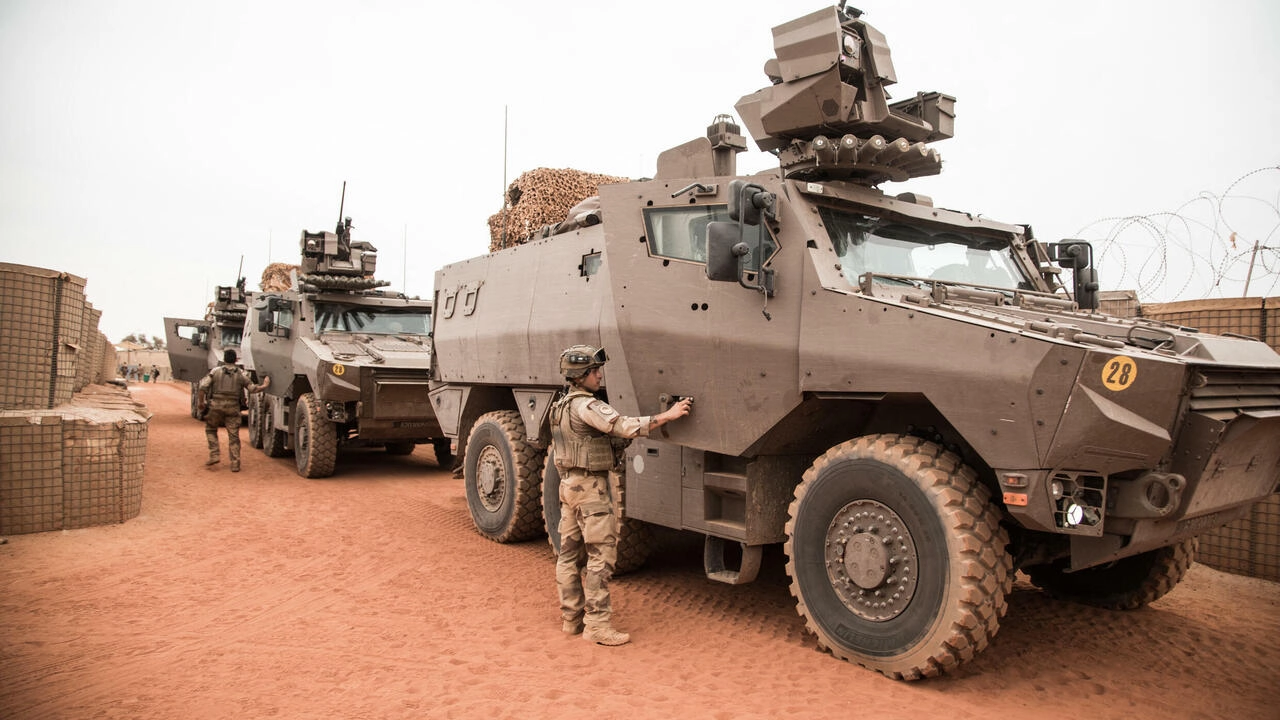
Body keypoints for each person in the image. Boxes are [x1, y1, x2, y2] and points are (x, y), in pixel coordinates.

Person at [550, 344, 692, 646]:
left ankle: (571, 619)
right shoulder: (588, 406)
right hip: (591, 491)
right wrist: (668, 415)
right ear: (581, 375)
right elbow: (624, 427)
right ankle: (597, 626)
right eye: (594, 371)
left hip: (569, 487)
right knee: (600, 557)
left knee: (568, 556)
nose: (599, 375)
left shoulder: (561, 405)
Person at [196, 349, 270, 472]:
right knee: (233, 436)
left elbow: (202, 388)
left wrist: (201, 403)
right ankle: (235, 463)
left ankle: (214, 454)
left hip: (216, 406)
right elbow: (252, 389)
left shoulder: (215, 372)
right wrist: (265, 385)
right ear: (236, 360)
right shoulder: (241, 374)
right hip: (233, 407)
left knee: (210, 429)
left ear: (224, 359)